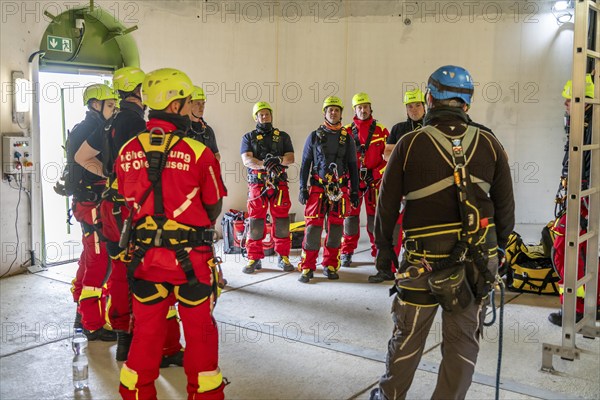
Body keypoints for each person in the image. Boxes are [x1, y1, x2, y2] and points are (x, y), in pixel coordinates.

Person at [370, 65, 514, 400]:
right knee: (463, 338)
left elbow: (386, 204)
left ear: (430, 98)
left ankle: (389, 395)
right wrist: (501, 249)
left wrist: (384, 249)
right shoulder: (491, 144)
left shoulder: (408, 143)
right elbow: (505, 205)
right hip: (478, 260)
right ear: (467, 102)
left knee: (408, 335)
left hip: (424, 259)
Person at [115, 68, 226, 399]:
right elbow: (213, 207)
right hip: (191, 264)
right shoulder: (197, 152)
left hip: (146, 262)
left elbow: (126, 202)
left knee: (146, 335)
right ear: (175, 106)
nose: (190, 107)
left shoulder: (127, 151)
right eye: (187, 101)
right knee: (200, 337)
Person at [75, 67, 147, 361]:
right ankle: (94, 324)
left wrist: (109, 175)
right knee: (108, 267)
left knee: (108, 266)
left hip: (106, 204)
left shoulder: (106, 125)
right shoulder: (136, 123)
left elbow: (83, 157)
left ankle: (111, 328)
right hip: (118, 206)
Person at [67, 83, 118, 341]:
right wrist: (111, 176)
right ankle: (92, 324)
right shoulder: (92, 130)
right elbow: (84, 160)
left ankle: (81, 309)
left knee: (89, 257)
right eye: (110, 105)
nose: (115, 109)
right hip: (92, 205)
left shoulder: (84, 128)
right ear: (95, 105)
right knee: (100, 262)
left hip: (86, 203)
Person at [548, 74, 600, 326]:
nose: (566, 105)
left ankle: (576, 308)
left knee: (564, 248)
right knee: (586, 251)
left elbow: (587, 171)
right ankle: (591, 304)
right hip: (580, 196)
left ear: (585, 102)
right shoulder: (584, 127)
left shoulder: (590, 131)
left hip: (583, 198)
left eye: (569, 101)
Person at [297, 96, 359, 283]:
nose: (333, 113)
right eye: (330, 110)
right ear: (324, 113)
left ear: (341, 113)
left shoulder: (347, 138)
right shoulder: (314, 136)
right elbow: (305, 163)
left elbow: (353, 166)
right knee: (313, 229)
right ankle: (307, 267)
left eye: (337, 110)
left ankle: (330, 264)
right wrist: (302, 187)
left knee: (336, 230)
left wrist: (354, 191)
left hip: (339, 190)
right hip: (317, 188)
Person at [240, 101, 295, 273]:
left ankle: (283, 256)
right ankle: (254, 258)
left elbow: (290, 157)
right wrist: (266, 164)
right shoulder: (248, 138)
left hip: (279, 184)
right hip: (258, 184)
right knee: (256, 222)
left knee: (282, 222)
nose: (265, 117)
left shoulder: (283, 136)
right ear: (255, 117)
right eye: (261, 114)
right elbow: (247, 160)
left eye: (267, 114)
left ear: (271, 115)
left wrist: (277, 161)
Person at [340, 93, 389, 268]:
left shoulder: (381, 131)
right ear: (354, 109)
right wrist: (348, 176)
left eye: (365, 106)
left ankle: (378, 252)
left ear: (370, 108)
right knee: (350, 218)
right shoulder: (344, 131)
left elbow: (389, 157)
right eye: (359, 107)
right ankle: (346, 251)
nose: (363, 110)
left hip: (373, 183)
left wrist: (375, 174)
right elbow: (340, 158)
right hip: (353, 182)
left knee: (374, 219)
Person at [384, 88, 425, 159]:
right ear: (406, 110)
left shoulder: (433, 127)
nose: (414, 110)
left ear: (424, 107)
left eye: (418, 105)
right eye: (410, 106)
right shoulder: (397, 128)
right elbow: (387, 155)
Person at [189, 85, 220, 161]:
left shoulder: (208, 130)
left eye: (203, 103)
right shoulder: (181, 130)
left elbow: (216, 154)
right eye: (198, 103)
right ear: (189, 104)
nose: (202, 107)